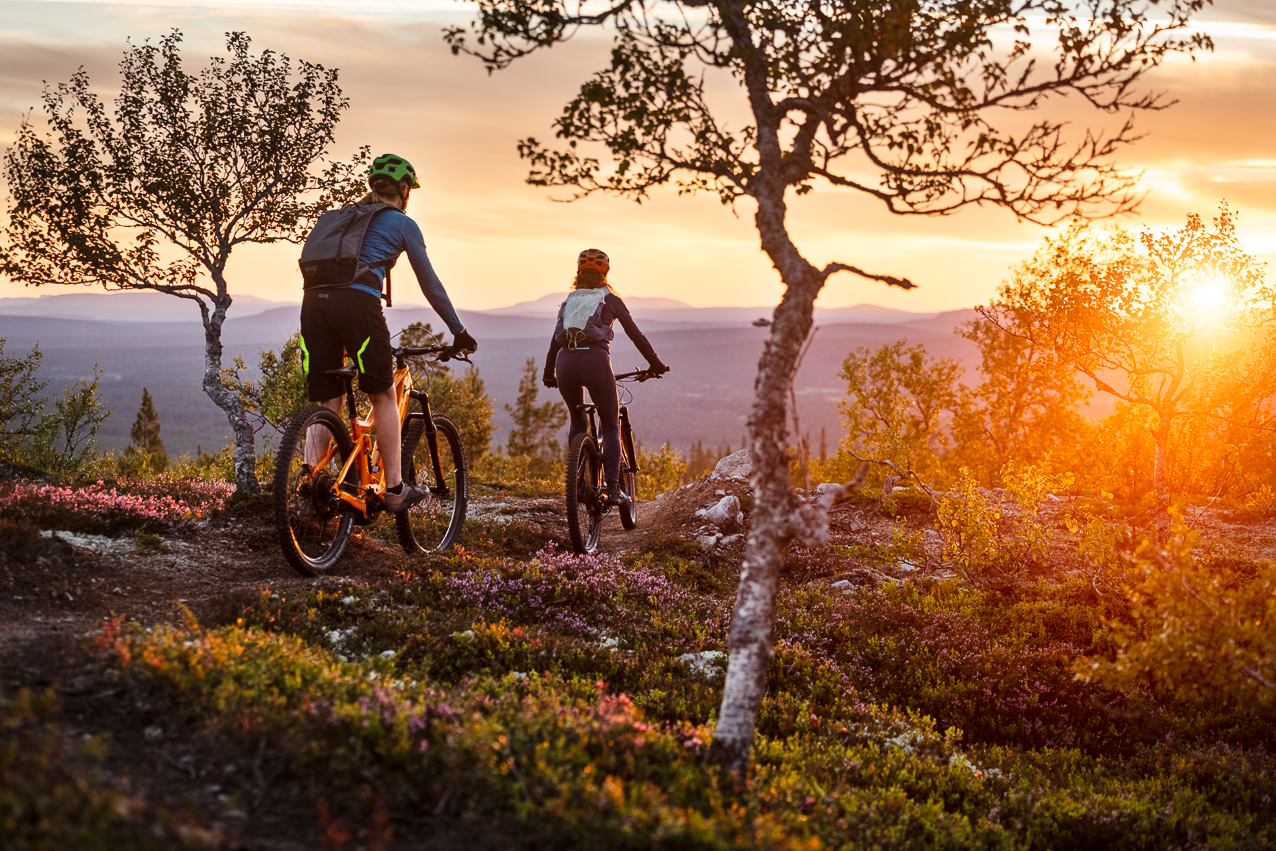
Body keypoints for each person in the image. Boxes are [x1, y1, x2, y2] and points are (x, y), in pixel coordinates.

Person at [300, 152, 477, 512]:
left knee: (328, 400)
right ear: (405, 189)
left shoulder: (343, 218)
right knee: (381, 393)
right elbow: (430, 283)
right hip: (357, 306)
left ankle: (310, 481)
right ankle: (395, 489)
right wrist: (457, 330)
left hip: (313, 304)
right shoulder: (401, 223)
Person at [543, 249, 669, 505]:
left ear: (578, 274)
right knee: (610, 424)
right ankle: (612, 488)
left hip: (565, 363)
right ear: (605, 274)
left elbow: (554, 341)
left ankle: (576, 484)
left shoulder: (569, 301)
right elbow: (636, 334)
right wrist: (655, 363)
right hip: (596, 362)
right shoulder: (610, 300)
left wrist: (549, 373)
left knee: (577, 423)